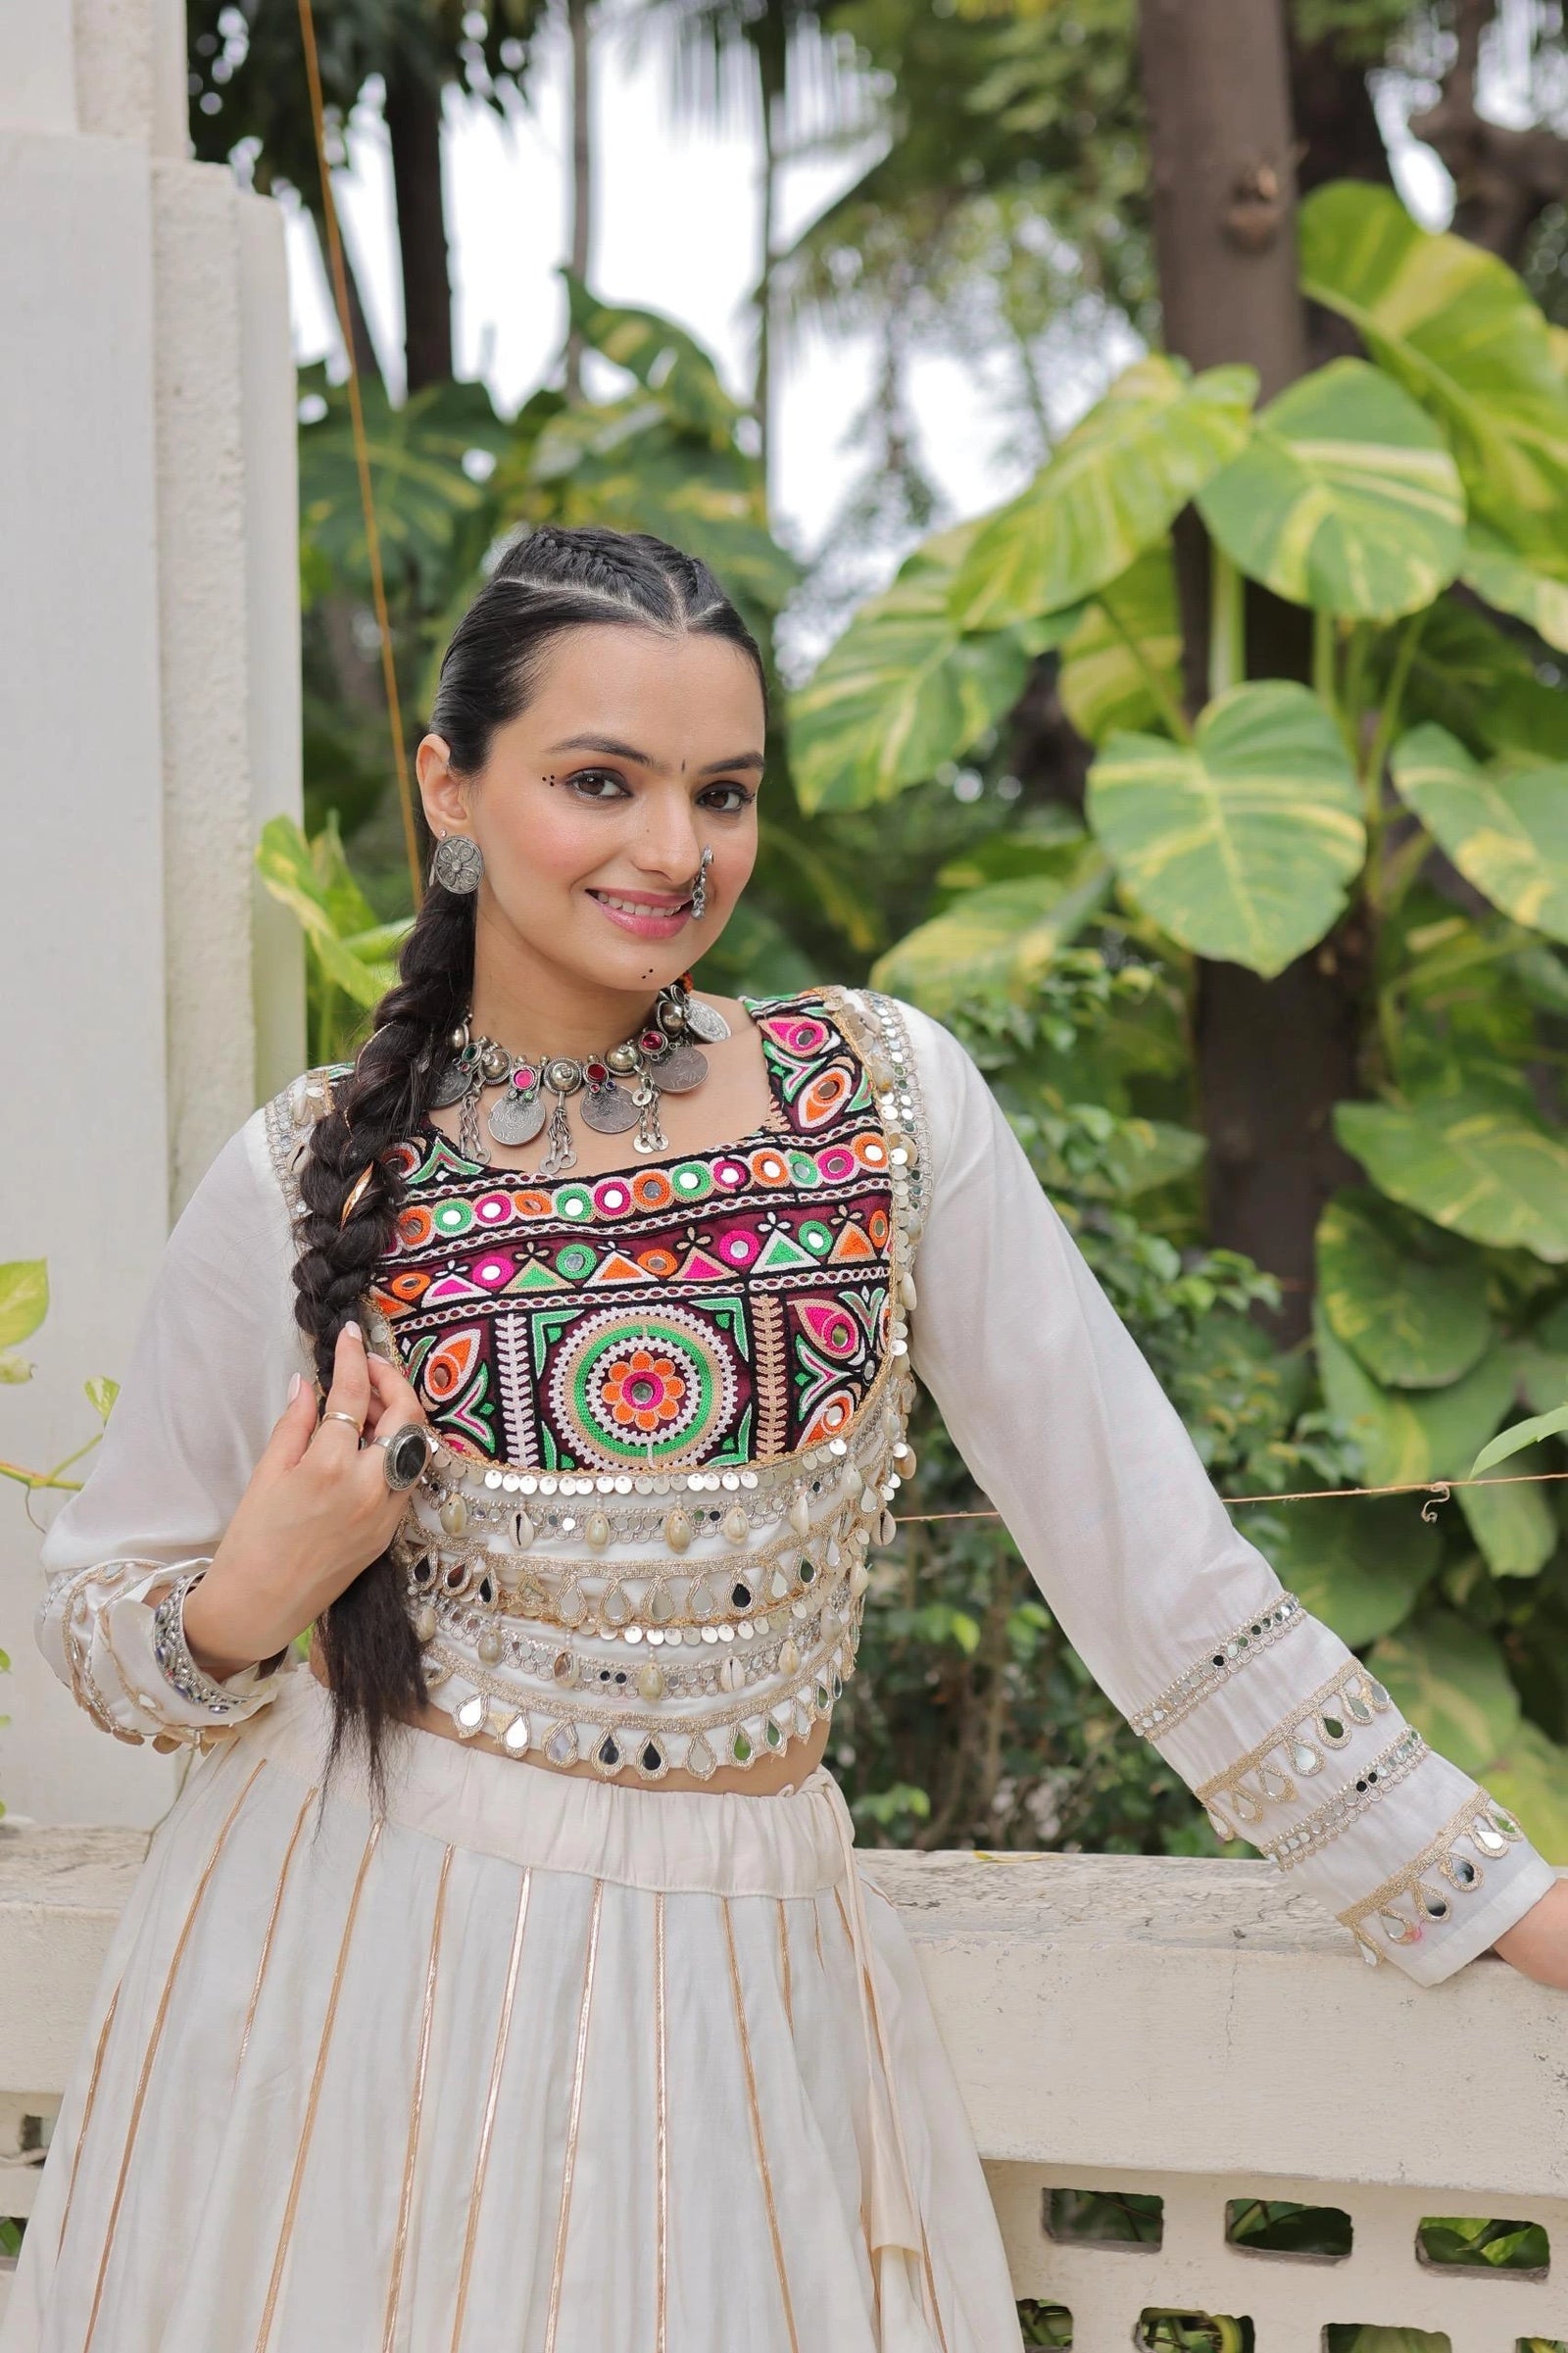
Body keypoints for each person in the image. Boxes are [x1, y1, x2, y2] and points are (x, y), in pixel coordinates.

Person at [8, 524, 1564, 2353]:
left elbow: (1158, 1570)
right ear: (452, 784)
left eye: (722, 792)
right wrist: (242, 1600)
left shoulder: (884, 1104)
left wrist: (1502, 1902)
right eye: (603, 782)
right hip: (352, 1998)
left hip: (748, 1993)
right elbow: (102, 1630)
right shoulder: (304, 1170)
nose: (675, 852)